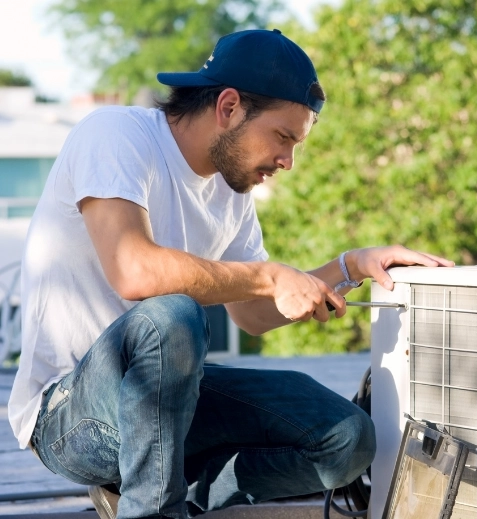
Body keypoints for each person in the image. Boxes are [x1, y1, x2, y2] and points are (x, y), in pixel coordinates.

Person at [7, 29, 453, 519]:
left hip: (171, 403)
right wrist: (268, 276)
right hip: (69, 415)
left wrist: (349, 266)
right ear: (229, 107)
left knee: (347, 437)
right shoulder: (115, 134)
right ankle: (153, 510)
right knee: (173, 316)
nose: (287, 161)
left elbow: (255, 314)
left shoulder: (231, 195)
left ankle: (152, 487)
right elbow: (133, 271)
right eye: (283, 137)